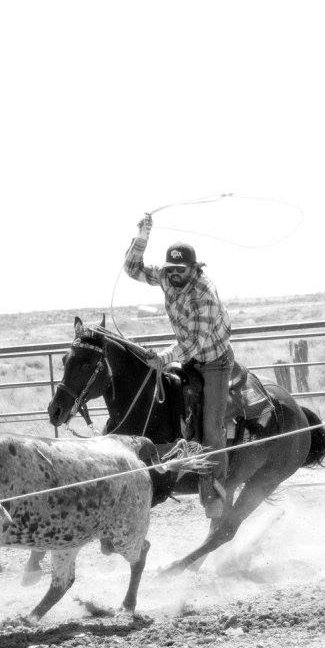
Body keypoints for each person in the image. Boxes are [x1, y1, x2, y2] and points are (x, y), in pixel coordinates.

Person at [124, 213, 234, 518]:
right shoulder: (166, 276)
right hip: (187, 356)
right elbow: (132, 269)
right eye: (170, 269)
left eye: (180, 270)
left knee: (212, 428)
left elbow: (196, 343)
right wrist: (142, 238)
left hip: (213, 361)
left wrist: (163, 358)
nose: (173, 274)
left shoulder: (204, 294)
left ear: (194, 269)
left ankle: (214, 493)